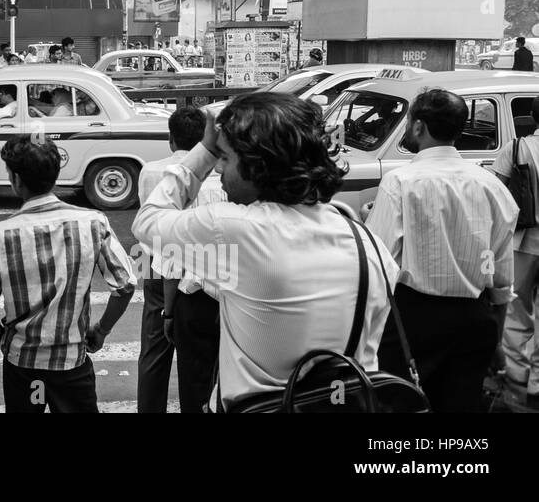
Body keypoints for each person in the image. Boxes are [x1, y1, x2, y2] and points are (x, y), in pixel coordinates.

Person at [133, 94, 399, 411]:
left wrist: (203, 151)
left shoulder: (234, 229)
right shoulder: (369, 242)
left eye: (226, 158)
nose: (219, 169)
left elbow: (148, 221)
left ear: (257, 166)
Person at [367, 88, 517, 412]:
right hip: (475, 319)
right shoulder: (491, 185)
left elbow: (378, 263)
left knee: (404, 405)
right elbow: (500, 277)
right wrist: (497, 339)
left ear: (419, 127)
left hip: (412, 319)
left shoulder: (401, 182)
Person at [0, 135, 136, 413]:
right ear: (56, 173)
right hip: (72, 361)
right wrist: (102, 329)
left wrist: (3, 339)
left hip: (23, 365)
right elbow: (125, 286)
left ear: (15, 179)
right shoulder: (93, 224)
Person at [134, 107, 226, 413]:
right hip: (206, 271)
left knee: (153, 348)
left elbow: (146, 221)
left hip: (154, 260)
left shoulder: (150, 170)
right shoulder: (219, 180)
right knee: (202, 359)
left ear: (171, 140)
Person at [491, 94, 539, 410]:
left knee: (517, 308)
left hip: (524, 241)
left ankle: (517, 374)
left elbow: (497, 193)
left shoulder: (517, 147)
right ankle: (537, 382)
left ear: (533, 117)